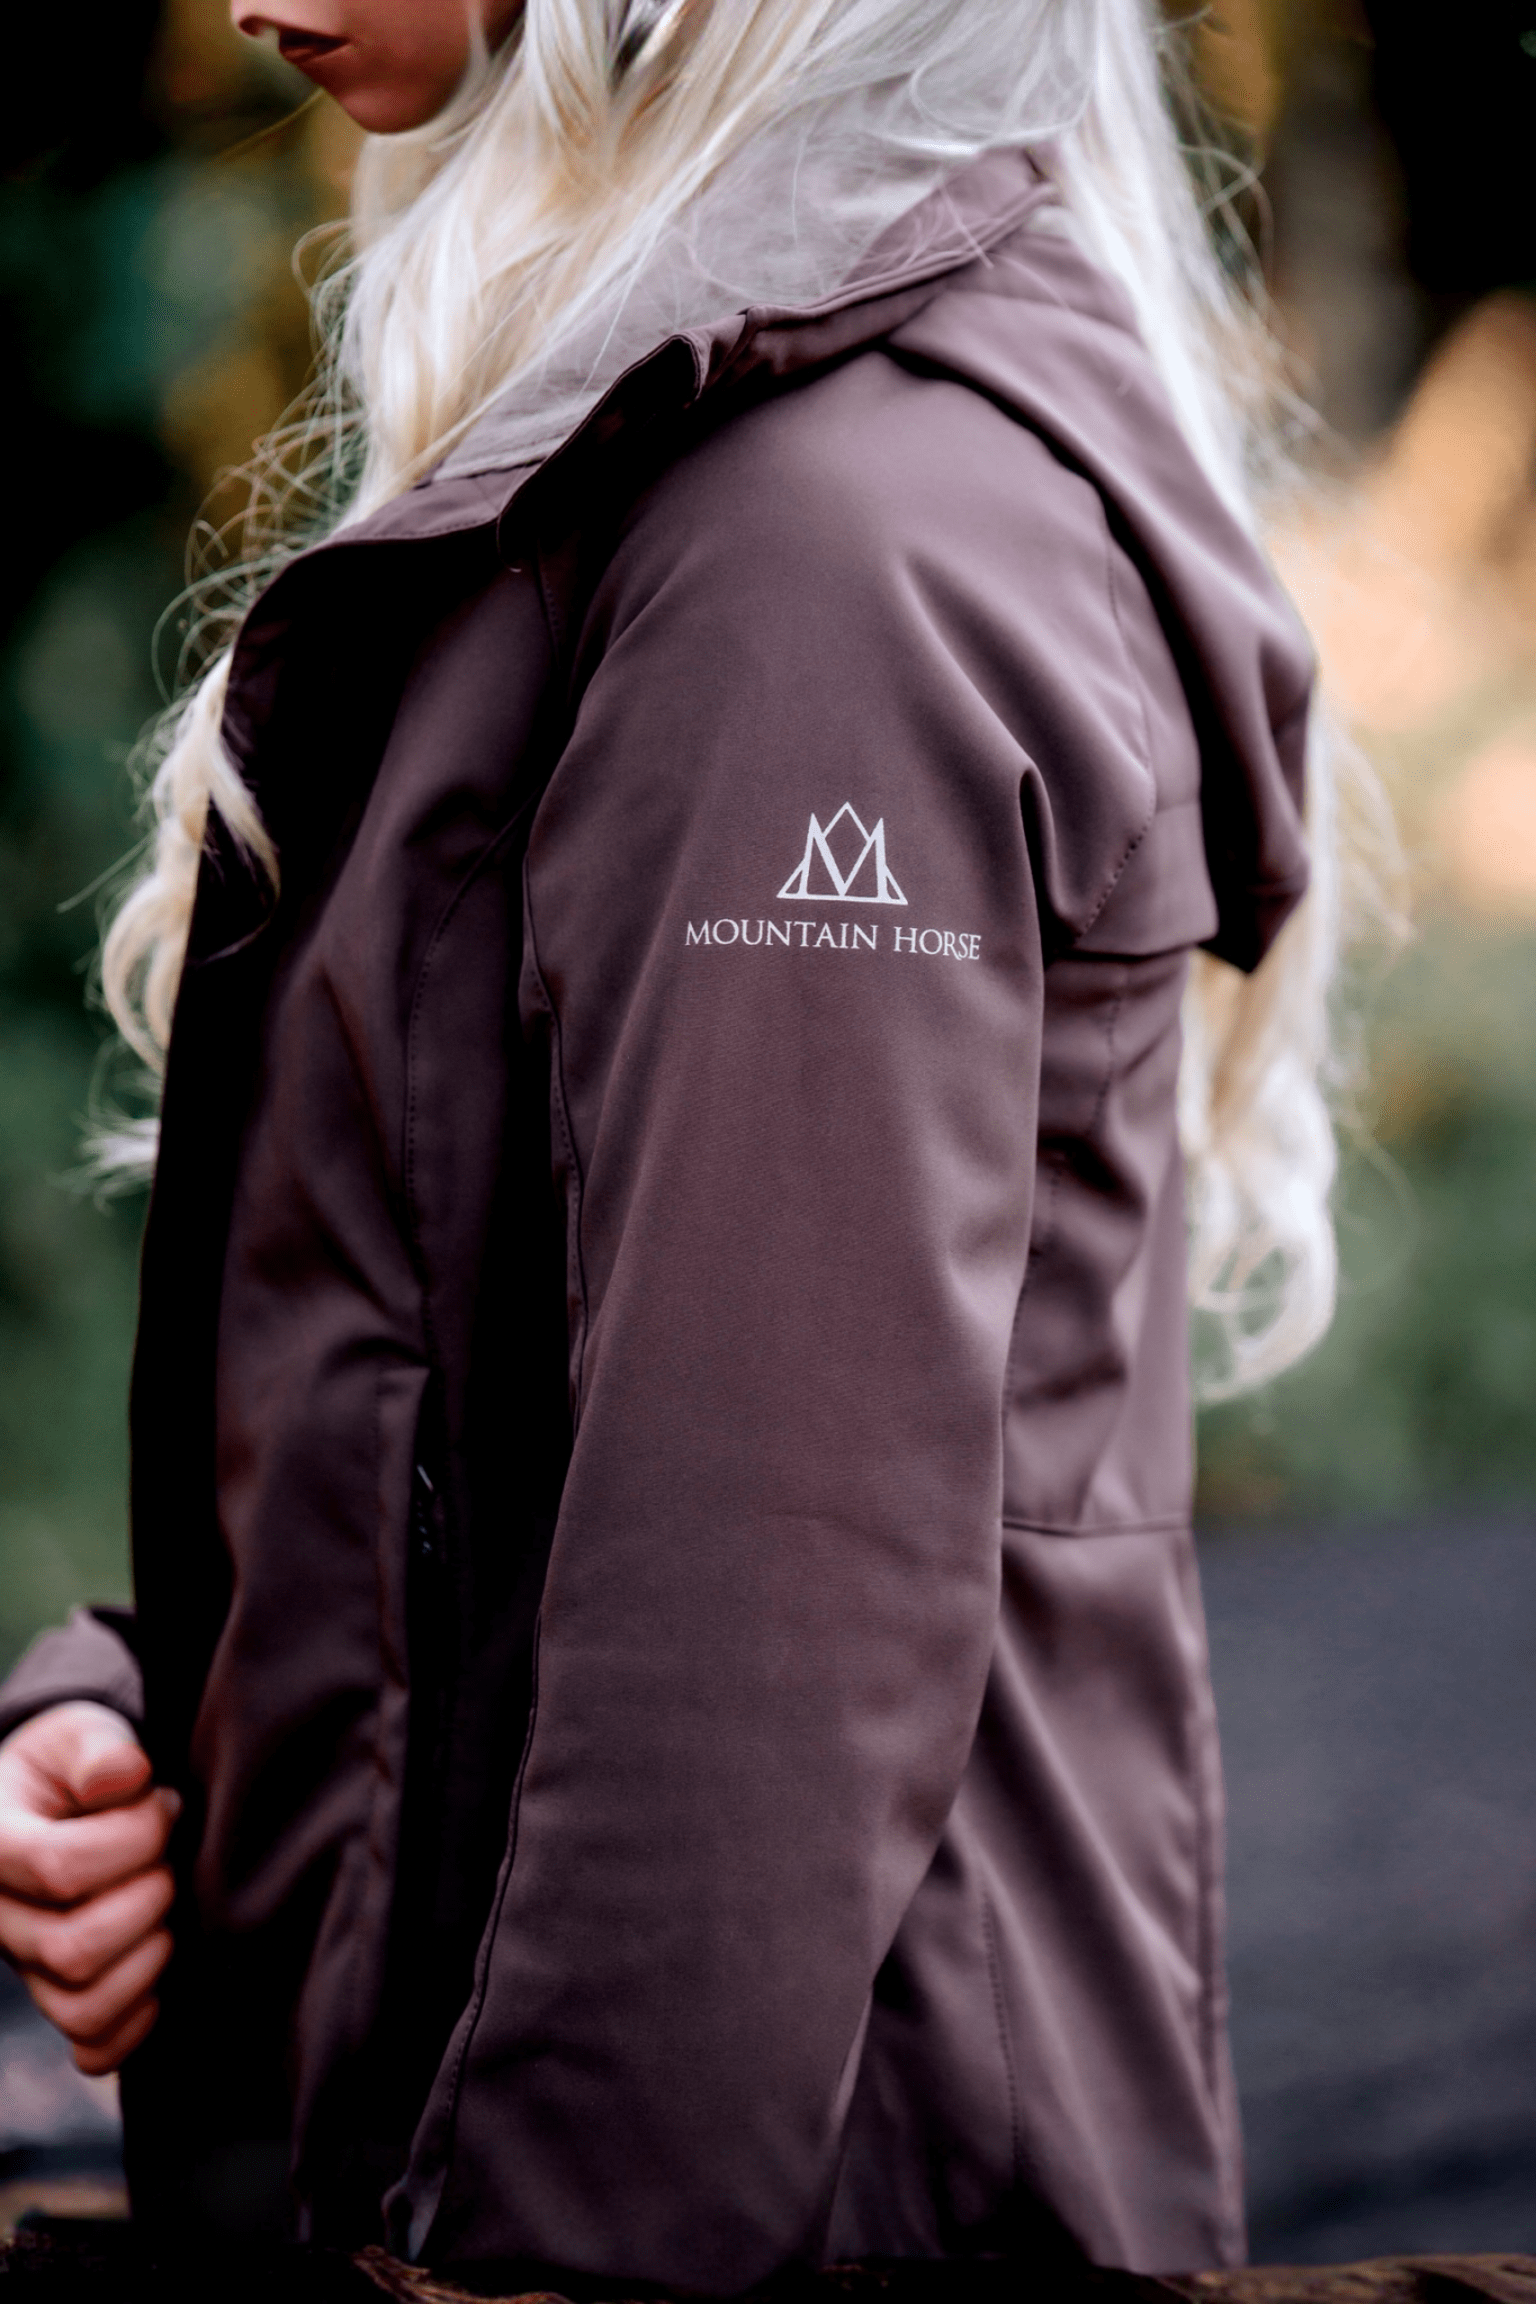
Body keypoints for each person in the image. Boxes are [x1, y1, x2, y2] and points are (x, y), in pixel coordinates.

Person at [0, 0, 1357, 2285]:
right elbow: (521, 1437)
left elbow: (749, 1720)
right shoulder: (678, 485)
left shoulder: (813, 574)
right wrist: (146, 1724)